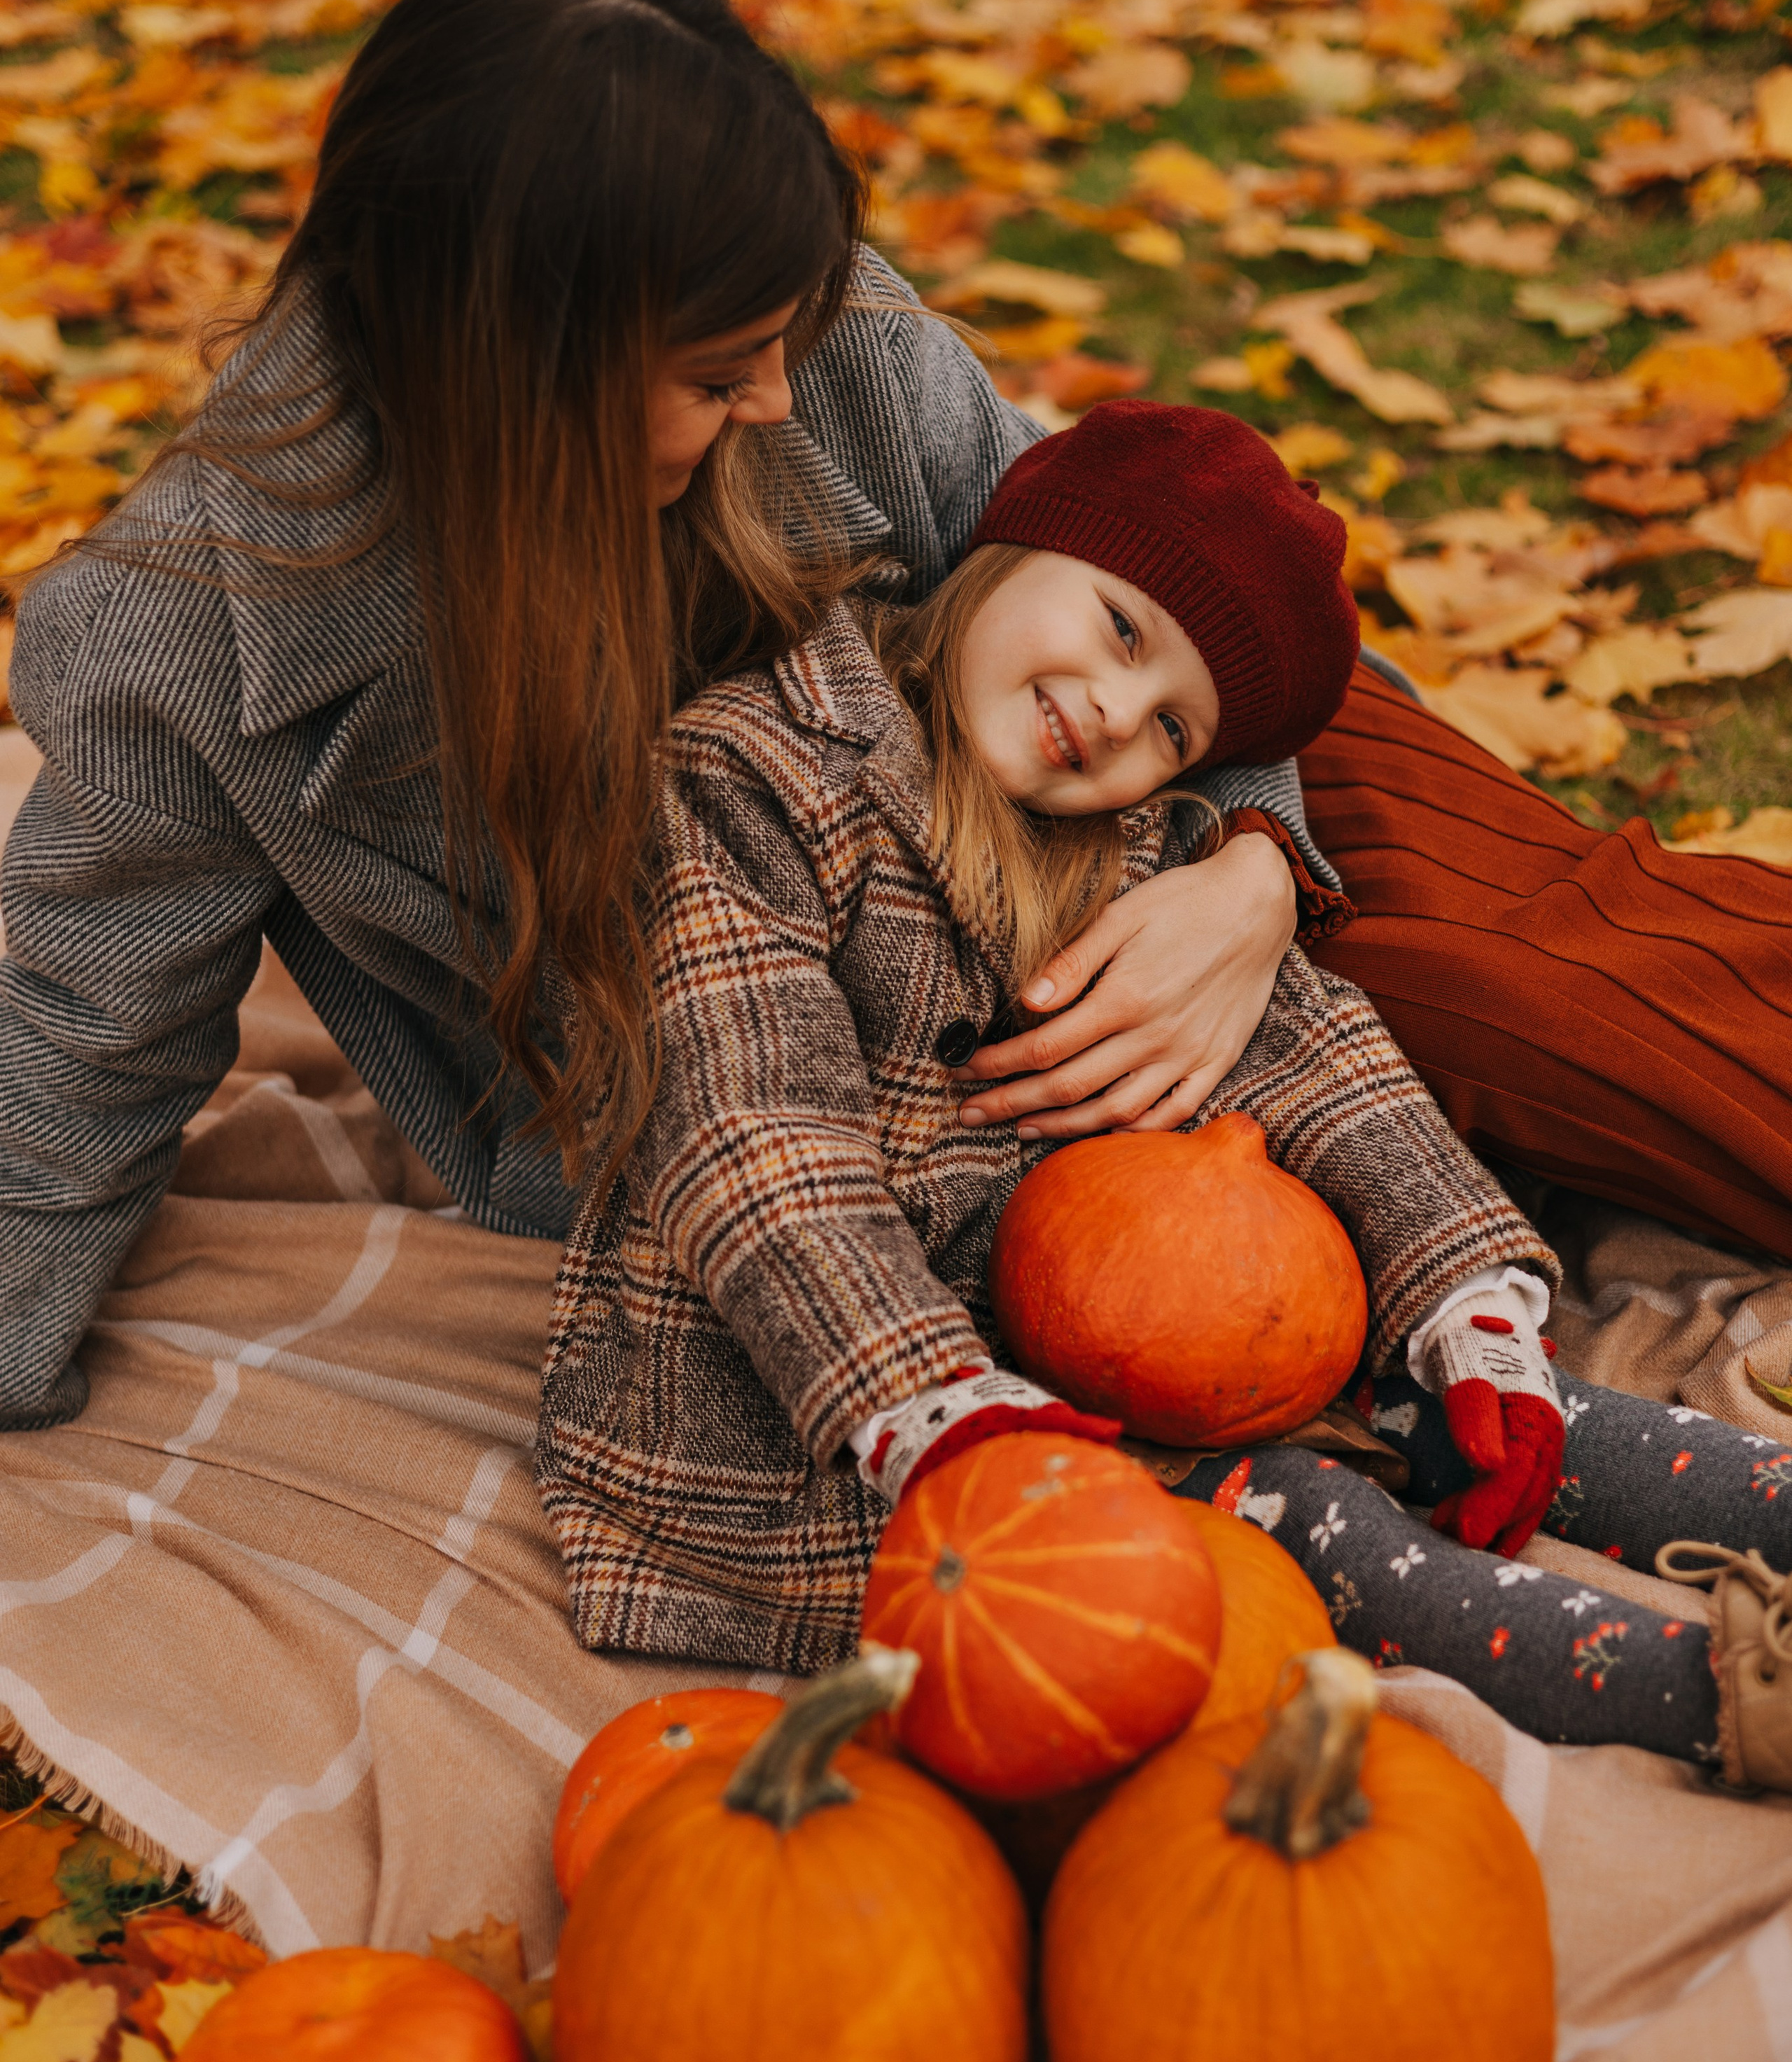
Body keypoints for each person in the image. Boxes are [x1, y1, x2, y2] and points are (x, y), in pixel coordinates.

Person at [0, 0, 1305, 1435]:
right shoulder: (180, 644)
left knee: (1501, 1019)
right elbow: (84, 1051)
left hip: (1081, 1091)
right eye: (712, 376)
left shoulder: (818, 345)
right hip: (753, 1226)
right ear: (520, 387)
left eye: (774, 347)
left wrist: (1256, 868)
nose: (770, 394)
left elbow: (1194, 589)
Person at [538, 401, 1792, 1796]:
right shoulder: (748, 774)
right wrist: (936, 1412)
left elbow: (1315, 1053)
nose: (1112, 717)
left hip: (1101, 1343)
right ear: (1016, 546)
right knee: (1305, 1526)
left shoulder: (1120, 840)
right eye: (1121, 631)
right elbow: (749, 1137)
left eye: (1171, 727)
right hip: (816, 1426)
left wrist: (1466, 1305)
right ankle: (1720, 1694)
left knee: (1509, 1413)